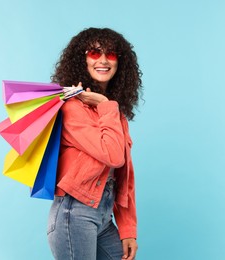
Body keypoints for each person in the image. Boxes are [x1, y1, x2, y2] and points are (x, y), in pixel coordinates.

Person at [47, 27, 142, 260]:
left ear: (120, 63)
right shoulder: (72, 109)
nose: (102, 60)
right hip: (74, 213)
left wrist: (128, 230)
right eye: (94, 53)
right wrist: (105, 104)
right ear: (83, 60)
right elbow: (112, 155)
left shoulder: (114, 114)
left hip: (103, 216)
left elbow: (124, 176)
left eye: (110, 54)